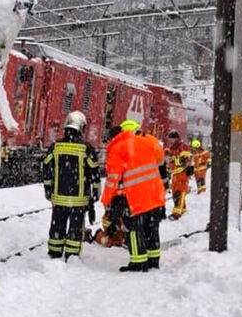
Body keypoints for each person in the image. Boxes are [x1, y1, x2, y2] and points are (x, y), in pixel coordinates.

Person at [101, 118, 167, 272]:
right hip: (155, 193)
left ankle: (138, 263)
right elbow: (160, 160)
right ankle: (153, 261)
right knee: (152, 229)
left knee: (135, 230)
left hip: (136, 197)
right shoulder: (149, 141)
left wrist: (106, 200)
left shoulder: (118, 148)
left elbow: (113, 179)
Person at [41, 111, 101, 260]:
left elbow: (46, 168)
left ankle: (54, 251)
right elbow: (94, 173)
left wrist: (48, 189)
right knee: (75, 227)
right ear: (81, 127)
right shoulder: (86, 148)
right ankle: (72, 254)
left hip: (59, 197)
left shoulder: (56, 147)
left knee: (57, 225)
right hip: (78, 199)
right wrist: (94, 194)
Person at [165, 130, 194, 220]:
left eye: (171, 139)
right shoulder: (172, 148)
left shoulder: (182, 147)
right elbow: (170, 160)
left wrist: (185, 166)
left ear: (176, 138)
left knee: (179, 193)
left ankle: (177, 213)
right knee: (175, 193)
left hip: (182, 173)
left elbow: (187, 160)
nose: (170, 141)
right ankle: (183, 209)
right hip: (175, 173)